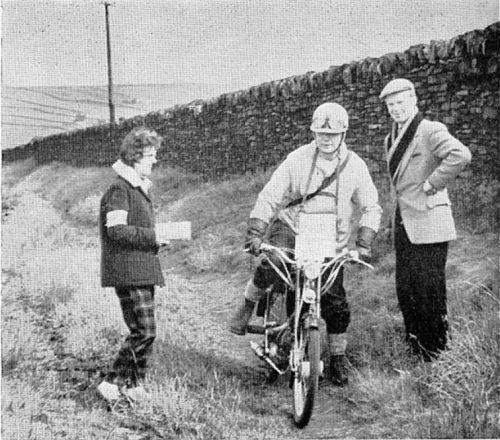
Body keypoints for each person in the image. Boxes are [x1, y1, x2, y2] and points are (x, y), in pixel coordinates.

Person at [229, 103, 382, 386]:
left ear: (344, 134)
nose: (326, 139)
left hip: (330, 239)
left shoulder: (355, 166)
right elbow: (270, 196)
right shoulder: (297, 159)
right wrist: (256, 232)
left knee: (335, 301)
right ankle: (248, 304)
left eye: (333, 134)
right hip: (293, 227)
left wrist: (363, 243)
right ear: (313, 133)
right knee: (274, 261)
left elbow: (371, 207)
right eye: (320, 133)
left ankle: (338, 358)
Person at [379, 78, 471, 361]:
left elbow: (460, 155)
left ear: (414, 101)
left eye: (401, 103)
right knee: (406, 288)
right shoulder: (389, 139)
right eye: (391, 105)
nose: (396, 109)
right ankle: (416, 345)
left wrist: (432, 184)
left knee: (430, 288)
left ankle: (438, 351)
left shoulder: (429, 130)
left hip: (430, 220)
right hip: (405, 222)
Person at [98, 127, 167, 401]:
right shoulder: (119, 189)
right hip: (129, 272)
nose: (154, 160)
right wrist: (154, 236)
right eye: (150, 155)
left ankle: (136, 385)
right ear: (134, 157)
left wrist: (156, 238)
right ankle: (112, 381)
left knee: (143, 331)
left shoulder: (135, 188)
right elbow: (116, 231)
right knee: (145, 331)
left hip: (139, 270)